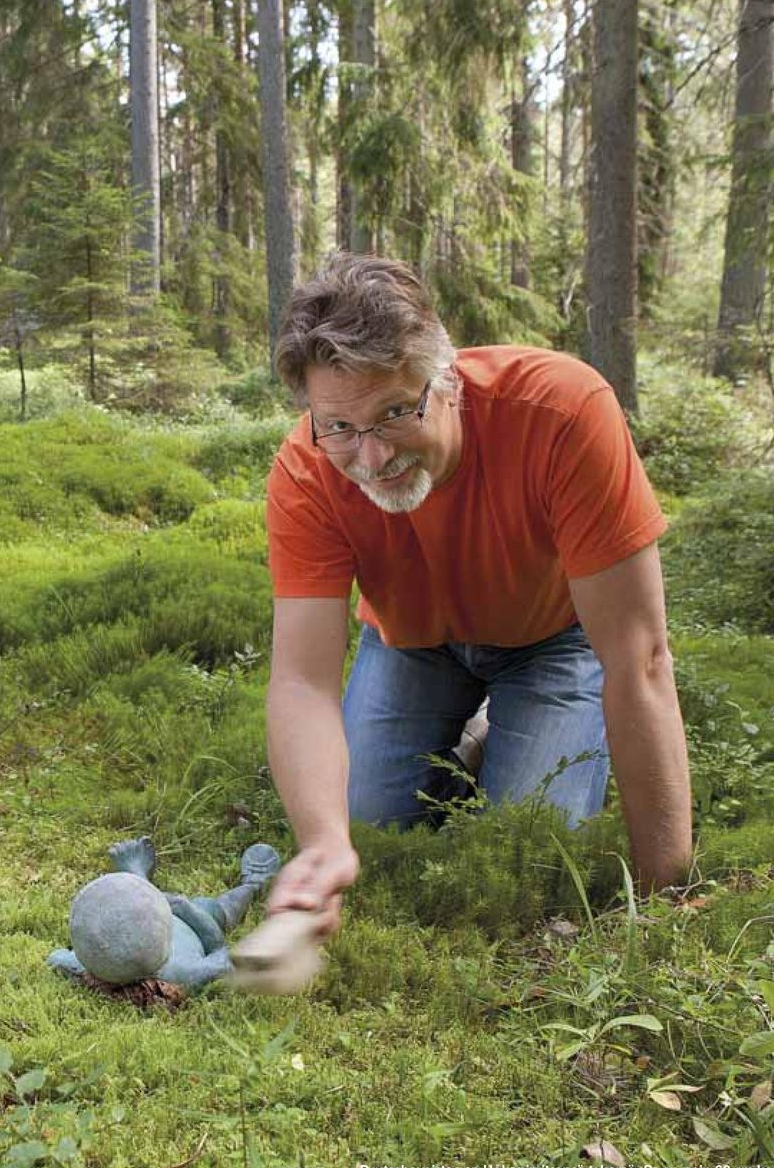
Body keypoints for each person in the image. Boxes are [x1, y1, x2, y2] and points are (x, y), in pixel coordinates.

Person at [263, 252, 692, 936]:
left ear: (449, 379)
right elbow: (301, 683)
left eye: (396, 411)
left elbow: (638, 660)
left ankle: (505, 732)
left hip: (551, 640)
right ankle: (471, 741)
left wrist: (666, 893)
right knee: (365, 827)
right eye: (339, 426)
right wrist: (322, 841)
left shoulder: (562, 412)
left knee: (527, 858)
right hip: (410, 644)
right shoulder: (307, 470)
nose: (371, 457)